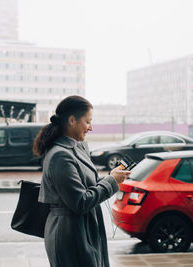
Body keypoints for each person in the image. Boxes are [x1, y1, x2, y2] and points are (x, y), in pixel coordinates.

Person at [33, 95, 131, 267]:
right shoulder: (60, 155)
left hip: (82, 229)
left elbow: (87, 185)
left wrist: (112, 177)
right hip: (70, 234)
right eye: (87, 122)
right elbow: (80, 201)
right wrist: (111, 181)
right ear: (72, 120)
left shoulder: (77, 147)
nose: (91, 128)